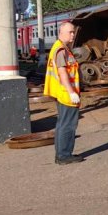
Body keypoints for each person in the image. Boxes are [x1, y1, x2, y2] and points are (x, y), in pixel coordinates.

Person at [43, 22, 84, 165]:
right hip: (66, 93)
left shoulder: (62, 48)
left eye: (73, 32)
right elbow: (62, 73)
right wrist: (71, 92)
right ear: (61, 33)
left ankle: (61, 154)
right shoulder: (61, 50)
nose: (72, 35)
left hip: (63, 92)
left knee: (62, 124)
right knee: (68, 125)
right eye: (70, 32)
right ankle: (64, 156)